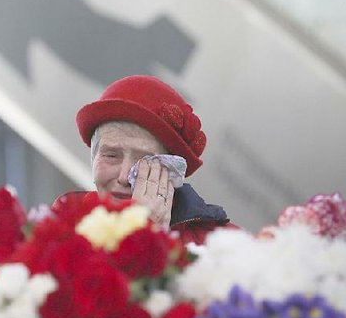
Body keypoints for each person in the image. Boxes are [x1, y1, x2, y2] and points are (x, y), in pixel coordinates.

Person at [54, 75, 235, 244]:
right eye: (111, 155)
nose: (124, 177)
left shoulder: (222, 245)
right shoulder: (64, 220)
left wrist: (149, 235)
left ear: (172, 172)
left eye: (143, 161)